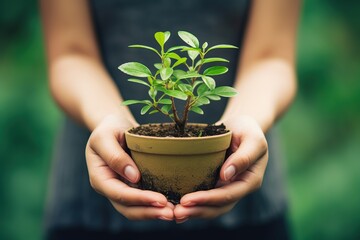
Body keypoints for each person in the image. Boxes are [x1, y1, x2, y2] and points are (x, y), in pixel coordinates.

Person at [41, 0, 300, 239]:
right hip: (90, 211)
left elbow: (271, 56)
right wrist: (110, 119)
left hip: (246, 207)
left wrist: (246, 118)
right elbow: (70, 53)